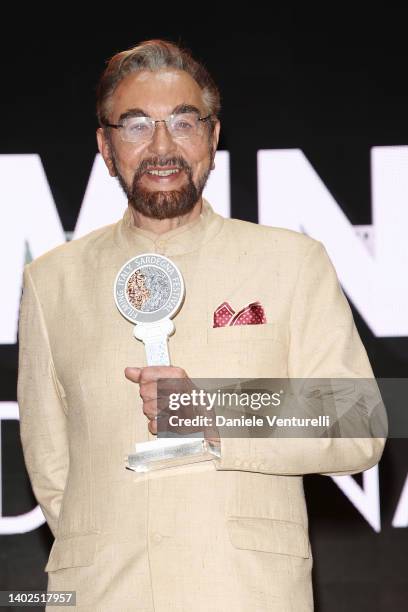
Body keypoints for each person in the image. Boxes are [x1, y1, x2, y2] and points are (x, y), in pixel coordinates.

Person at [17, 39, 385, 611]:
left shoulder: (291, 261)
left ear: (213, 138)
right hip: (103, 594)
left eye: (184, 122)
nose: (162, 146)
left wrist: (212, 411)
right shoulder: (51, 281)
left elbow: (361, 420)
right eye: (136, 126)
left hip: (245, 592)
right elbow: (52, 469)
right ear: (106, 146)